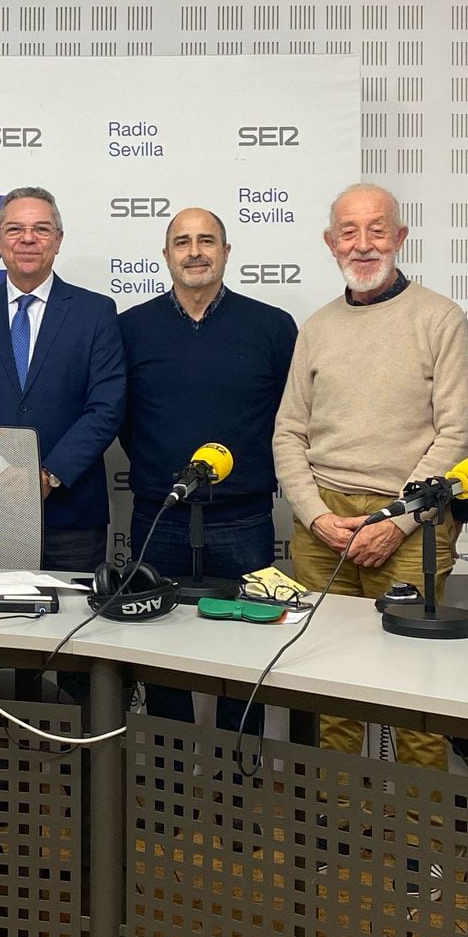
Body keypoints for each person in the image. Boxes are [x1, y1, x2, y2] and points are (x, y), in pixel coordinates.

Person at [273, 183, 468, 769]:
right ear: (331, 242)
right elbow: (289, 434)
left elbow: (456, 435)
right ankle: (333, 839)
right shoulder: (316, 326)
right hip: (324, 526)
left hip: (411, 524)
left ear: (401, 238)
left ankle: (422, 851)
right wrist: (316, 517)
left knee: (415, 695)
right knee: (331, 692)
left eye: (377, 230)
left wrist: (397, 520)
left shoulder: (440, 317)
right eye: (349, 233)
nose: (363, 245)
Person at [120, 207, 295, 726]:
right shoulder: (130, 328)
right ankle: (173, 784)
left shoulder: (272, 326)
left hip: (243, 520)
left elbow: (291, 417)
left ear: (226, 251)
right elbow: (122, 420)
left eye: (206, 240)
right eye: (182, 241)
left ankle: (233, 789)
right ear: (166, 255)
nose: (194, 251)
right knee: (162, 654)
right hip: (160, 516)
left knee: (243, 658)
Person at [0, 187, 124, 573]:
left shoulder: (96, 312)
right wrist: (0, 471)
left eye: (41, 229)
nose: (27, 239)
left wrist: (49, 475)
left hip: (71, 514)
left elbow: (106, 406)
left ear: (57, 240)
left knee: (72, 627)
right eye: (14, 229)